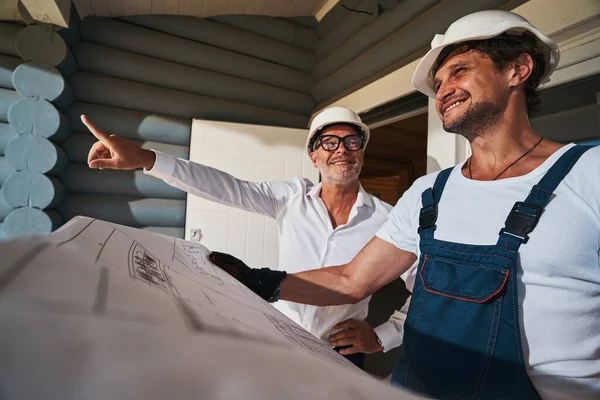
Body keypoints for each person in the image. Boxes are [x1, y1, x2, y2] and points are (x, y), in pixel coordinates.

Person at [209, 10, 600, 400]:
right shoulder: (429, 193)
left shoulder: (588, 175)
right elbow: (350, 281)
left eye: (459, 70)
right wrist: (258, 279)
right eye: (438, 83)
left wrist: (378, 338)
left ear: (518, 68)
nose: (443, 90)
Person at [83, 105, 414, 369]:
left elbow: (425, 288)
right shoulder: (291, 198)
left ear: (362, 154)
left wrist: (382, 337)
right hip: (279, 339)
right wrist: (146, 158)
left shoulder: (388, 220)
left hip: (342, 354)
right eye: (330, 142)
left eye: (352, 142)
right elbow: (226, 187)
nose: (342, 149)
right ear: (315, 157)